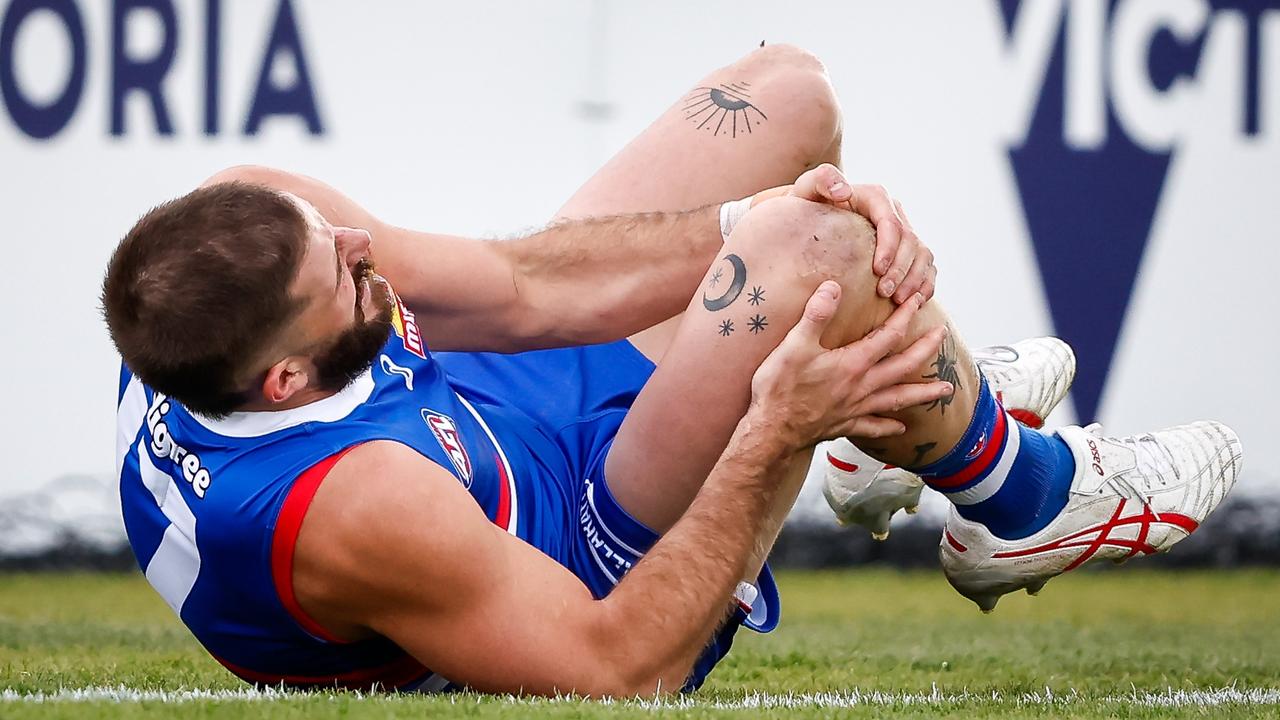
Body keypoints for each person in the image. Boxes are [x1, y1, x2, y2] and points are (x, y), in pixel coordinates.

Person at [103, 44, 1241, 696]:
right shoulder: (345, 507)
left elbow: (515, 291)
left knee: (788, 102)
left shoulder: (231, 268)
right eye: (346, 282)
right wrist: (773, 429)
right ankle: (1022, 495)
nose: (365, 252)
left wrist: (769, 206)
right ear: (288, 386)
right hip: (579, 554)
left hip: (501, 415)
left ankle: (886, 438)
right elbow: (617, 672)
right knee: (823, 262)